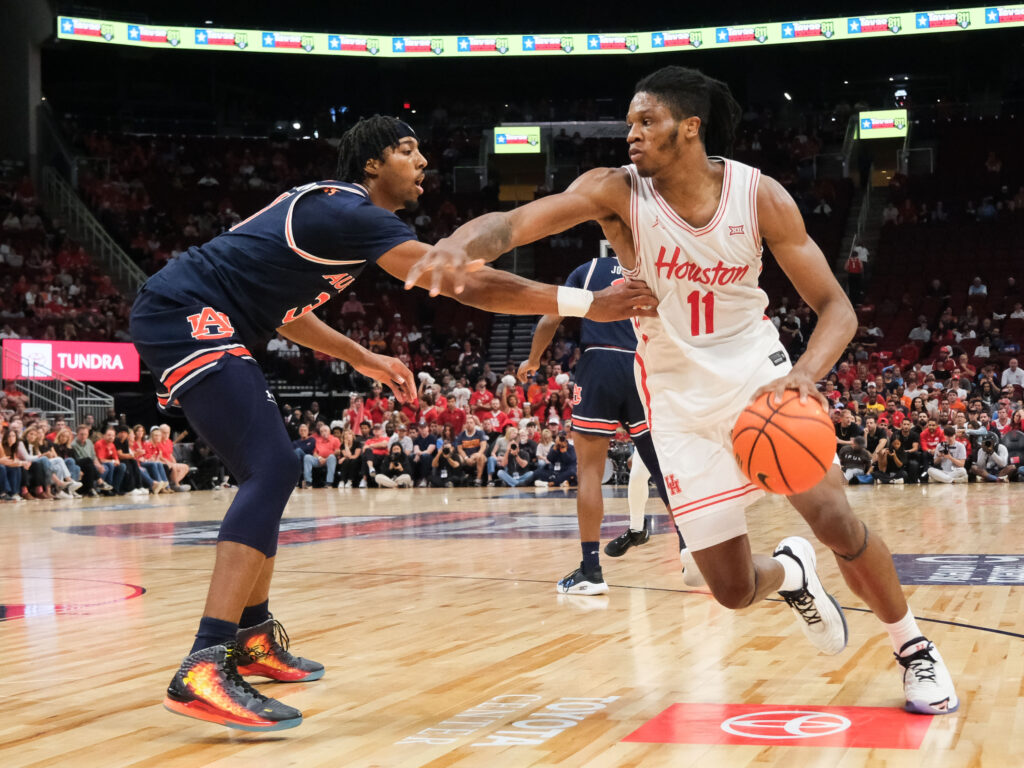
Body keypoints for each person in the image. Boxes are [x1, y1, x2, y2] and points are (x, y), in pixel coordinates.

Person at [413, 67, 957, 715]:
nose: (632, 135)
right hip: (672, 395)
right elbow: (515, 222)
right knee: (728, 589)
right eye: (630, 124)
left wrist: (805, 376)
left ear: (689, 128)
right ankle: (792, 573)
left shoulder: (759, 197)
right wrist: (454, 244)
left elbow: (837, 309)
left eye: (647, 122)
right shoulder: (616, 192)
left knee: (835, 518)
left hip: (757, 375)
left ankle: (914, 648)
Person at [129, 115, 655, 732]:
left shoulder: (338, 227)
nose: (422, 161)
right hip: (182, 310)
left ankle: (251, 637)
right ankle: (204, 662)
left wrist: (364, 357)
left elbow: (287, 313)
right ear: (371, 165)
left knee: (273, 469)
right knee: (270, 466)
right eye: (407, 150)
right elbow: (466, 283)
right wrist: (586, 304)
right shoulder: (349, 212)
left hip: (211, 314)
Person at [519, 255, 694, 594]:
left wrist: (533, 359)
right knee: (663, 468)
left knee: (589, 473)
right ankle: (690, 546)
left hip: (598, 362)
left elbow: (549, 320)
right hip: (641, 363)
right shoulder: (653, 270)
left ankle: (591, 570)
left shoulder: (587, 270)